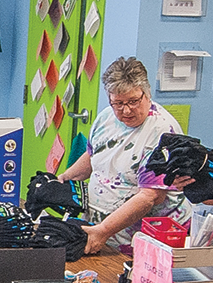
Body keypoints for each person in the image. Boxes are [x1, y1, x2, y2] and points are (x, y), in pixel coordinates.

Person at [58, 57, 190, 254]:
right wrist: (62, 179)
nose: (126, 110)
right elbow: (93, 156)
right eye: (118, 103)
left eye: (133, 101)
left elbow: (151, 196)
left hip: (143, 235)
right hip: (101, 228)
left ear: (147, 94)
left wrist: (103, 231)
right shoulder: (105, 117)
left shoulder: (163, 132)